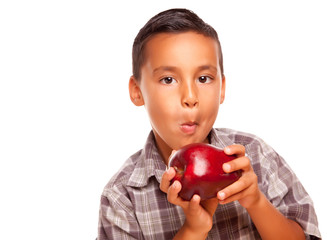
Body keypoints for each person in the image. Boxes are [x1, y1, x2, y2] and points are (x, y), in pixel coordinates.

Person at [97, 8, 321, 239]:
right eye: (168, 79)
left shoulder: (255, 155)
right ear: (137, 91)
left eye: (204, 78)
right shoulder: (122, 197)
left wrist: (256, 202)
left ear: (222, 88)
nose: (190, 97)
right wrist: (193, 230)